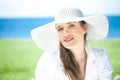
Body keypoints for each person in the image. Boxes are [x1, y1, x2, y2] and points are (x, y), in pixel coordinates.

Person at [30, 7, 113, 80]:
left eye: (71, 26)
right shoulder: (49, 60)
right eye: (60, 29)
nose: (65, 33)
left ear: (84, 28)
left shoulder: (100, 57)